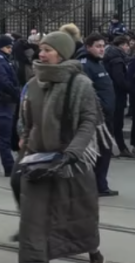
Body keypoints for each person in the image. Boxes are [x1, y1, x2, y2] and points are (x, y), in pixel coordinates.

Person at [18, 31, 105, 263]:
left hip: (70, 163)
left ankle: (93, 251)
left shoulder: (80, 84)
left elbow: (89, 121)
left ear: (62, 54)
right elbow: (28, 121)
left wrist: (72, 153)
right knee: (33, 221)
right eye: (41, 50)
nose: (42, 54)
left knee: (79, 217)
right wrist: (25, 145)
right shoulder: (33, 84)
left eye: (48, 50)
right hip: (38, 163)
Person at [76, 33, 119, 197]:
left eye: (103, 46)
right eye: (98, 46)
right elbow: (87, 91)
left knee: (104, 151)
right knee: (99, 151)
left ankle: (100, 184)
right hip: (97, 117)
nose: (102, 49)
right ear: (88, 47)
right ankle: (94, 185)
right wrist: (100, 108)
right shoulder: (85, 64)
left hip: (106, 115)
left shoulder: (97, 63)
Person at [103, 36, 134, 158]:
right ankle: (113, 148)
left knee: (113, 122)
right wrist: (130, 88)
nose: (128, 48)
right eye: (126, 45)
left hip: (111, 94)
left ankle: (119, 147)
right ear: (121, 46)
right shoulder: (117, 59)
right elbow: (119, 78)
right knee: (115, 122)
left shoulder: (110, 56)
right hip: (117, 95)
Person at [0, 35, 19, 177]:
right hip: (4, 103)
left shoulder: (5, 60)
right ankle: (9, 167)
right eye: (7, 47)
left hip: (6, 102)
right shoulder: (2, 62)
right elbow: (4, 81)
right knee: (4, 138)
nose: (10, 50)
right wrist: (16, 93)